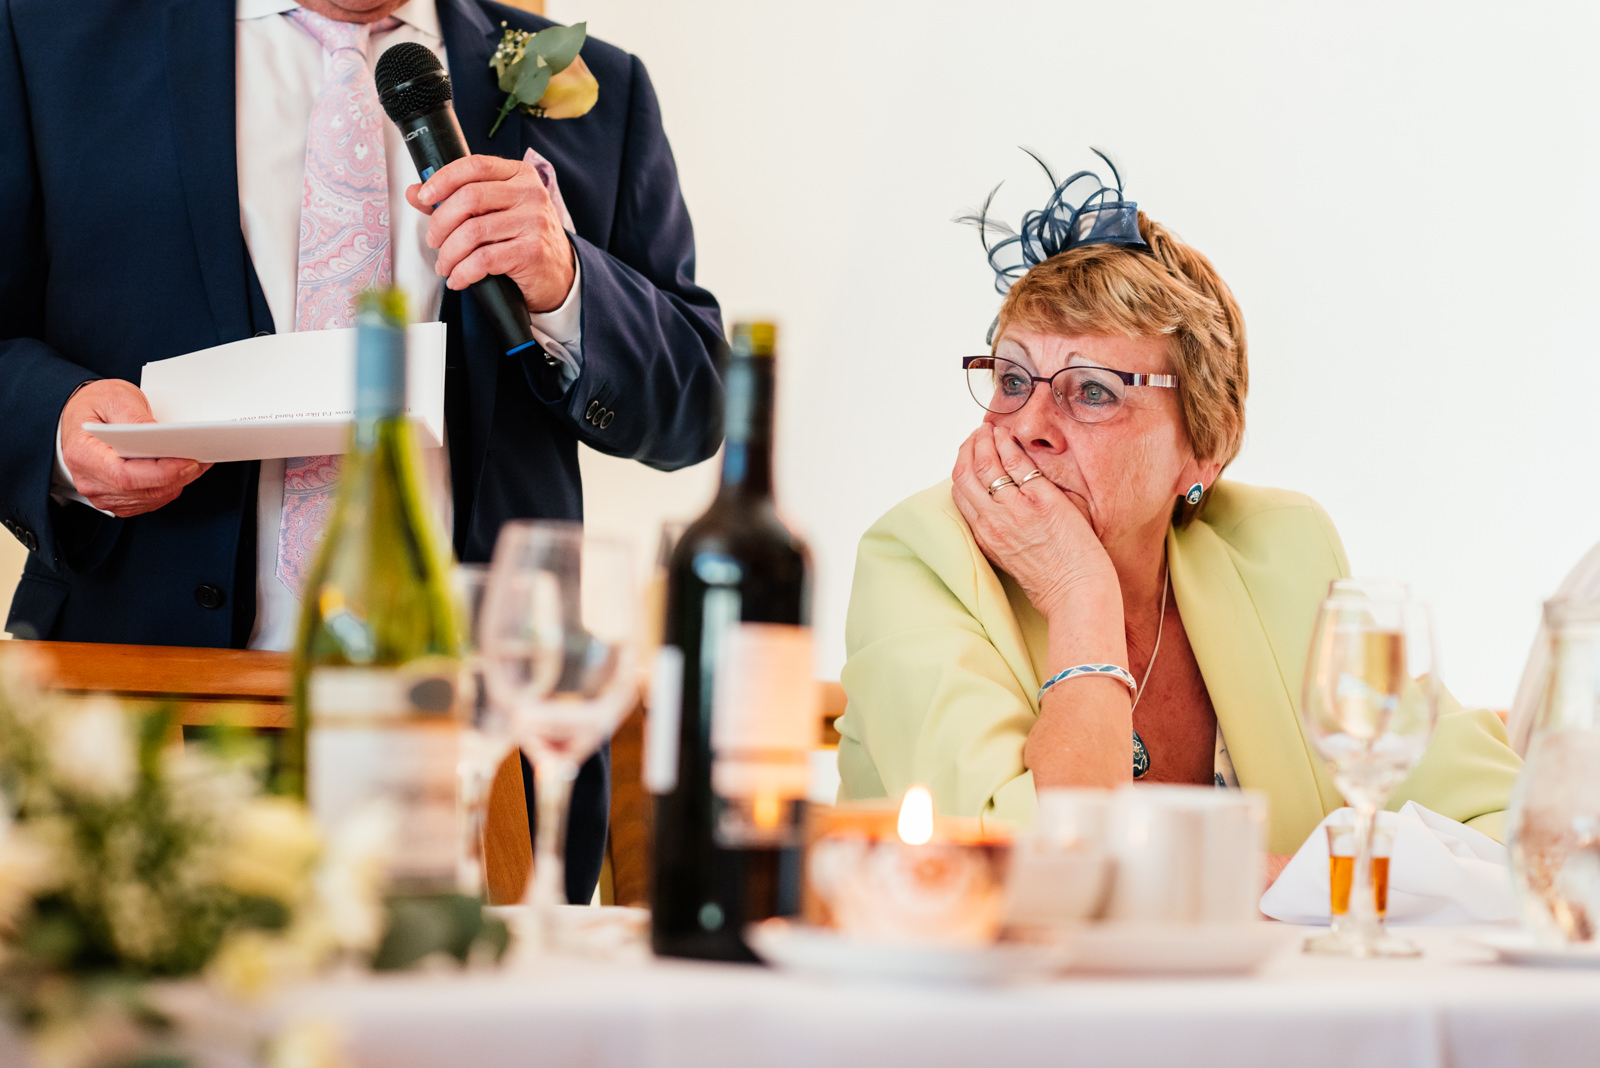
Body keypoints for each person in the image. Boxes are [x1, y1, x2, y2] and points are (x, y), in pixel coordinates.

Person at [0, 0, 725, 903]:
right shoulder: (50, 42)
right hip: (140, 716)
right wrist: (56, 427)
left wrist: (567, 280)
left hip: (468, 751)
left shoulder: (592, 86)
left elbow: (696, 406)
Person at [834, 153, 1520, 860]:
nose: (1027, 423)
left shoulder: (1281, 551)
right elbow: (1037, 875)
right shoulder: (917, 557)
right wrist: (1079, 596)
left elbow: (1506, 819)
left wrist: (1341, 886)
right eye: (1013, 378)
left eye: (1092, 390)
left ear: (1203, 451)